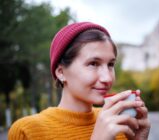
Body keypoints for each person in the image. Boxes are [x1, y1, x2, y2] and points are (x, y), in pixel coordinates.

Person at [8, 22, 150, 140]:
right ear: (61, 72)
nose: (107, 78)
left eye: (110, 64)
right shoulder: (26, 132)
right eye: (93, 64)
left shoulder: (119, 125)